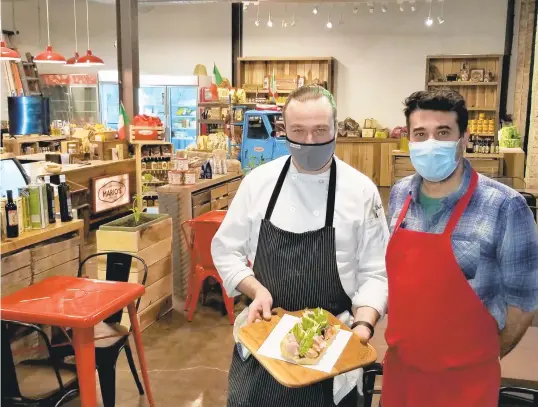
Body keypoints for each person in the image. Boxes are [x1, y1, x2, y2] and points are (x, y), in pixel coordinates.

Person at [211, 85, 389, 407]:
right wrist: (255, 290)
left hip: (333, 347)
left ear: (336, 128)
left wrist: (363, 326)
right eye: (298, 131)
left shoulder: (360, 192)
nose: (309, 142)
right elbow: (226, 249)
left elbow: (377, 271)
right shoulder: (258, 183)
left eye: (320, 130)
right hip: (263, 338)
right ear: (283, 130)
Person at [383, 88, 538, 407]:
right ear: (409, 140)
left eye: (443, 133)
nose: (430, 144)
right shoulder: (400, 195)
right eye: (420, 134)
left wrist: (483, 356)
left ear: (463, 138)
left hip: (465, 385)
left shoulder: (505, 207)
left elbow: (524, 303)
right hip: (400, 376)